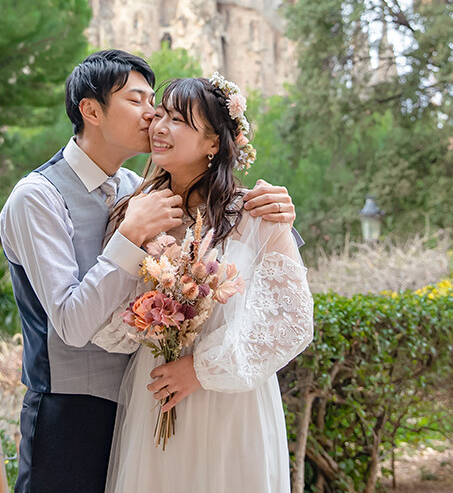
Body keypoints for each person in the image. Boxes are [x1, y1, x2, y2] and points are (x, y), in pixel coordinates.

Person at [0, 50, 297, 493]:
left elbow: (284, 310)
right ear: (92, 111)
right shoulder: (39, 197)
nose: (152, 117)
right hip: (73, 412)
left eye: (161, 108)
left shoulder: (133, 189)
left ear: (215, 141)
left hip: (168, 401)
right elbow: (74, 324)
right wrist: (130, 235)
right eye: (138, 101)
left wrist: (283, 217)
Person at [94, 74, 314, 493]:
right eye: (160, 115)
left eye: (178, 120)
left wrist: (199, 369)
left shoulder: (257, 214)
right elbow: (108, 316)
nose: (159, 127)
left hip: (231, 402)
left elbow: (293, 320)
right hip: (155, 394)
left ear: (214, 142)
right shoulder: (133, 213)